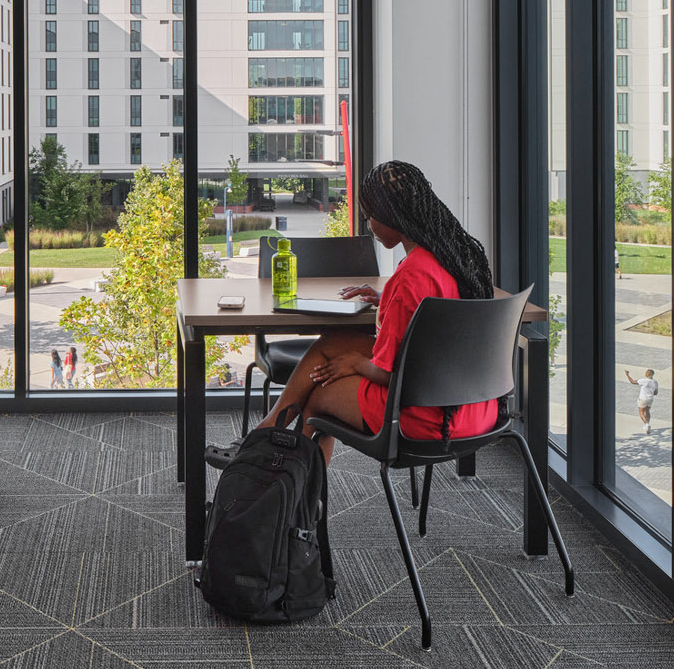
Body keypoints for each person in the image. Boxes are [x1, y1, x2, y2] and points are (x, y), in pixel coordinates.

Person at [210, 160, 498, 469]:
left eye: (371, 217)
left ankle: (277, 480)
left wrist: (357, 364)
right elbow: (433, 321)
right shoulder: (453, 258)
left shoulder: (411, 277)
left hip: (426, 416)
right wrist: (386, 298)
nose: (369, 226)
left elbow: (390, 374)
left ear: (392, 216)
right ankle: (266, 440)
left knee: (318, 395)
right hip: (476, 406)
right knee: (335, 341)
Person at [624, 368, 659, 433]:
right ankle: (647, 425)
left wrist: (627, 375)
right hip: (650, 399)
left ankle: (646, 424)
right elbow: (656, 393)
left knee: (641, 412)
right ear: (653, 374)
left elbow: (633, 382)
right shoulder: (655, 382)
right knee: (647, 411)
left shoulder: (643, 380)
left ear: (646, 374)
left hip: (643, 399)